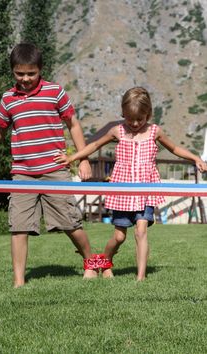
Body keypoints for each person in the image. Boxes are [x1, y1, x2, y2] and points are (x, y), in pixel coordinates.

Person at [0, 42, 100, 287]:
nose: (26, 78)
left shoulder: (55, 92)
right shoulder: (8, 99)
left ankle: (90, 262)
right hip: (23, 174)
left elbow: (73, 124)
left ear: (40, 70)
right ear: (12, 72)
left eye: (31, 73)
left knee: (70, 223)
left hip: (55, 170)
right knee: (18, 227)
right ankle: (19, 282)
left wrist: (83, 158)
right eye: (20, 73)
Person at [54, 86, 207, 281]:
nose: (134, 123)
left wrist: (195, 158)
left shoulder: (155, 132)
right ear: (123, 113)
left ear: (148, 114)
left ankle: (140, 277)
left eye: (139, 119)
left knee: (141, 230)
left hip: (145, 190)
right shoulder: (117, 131)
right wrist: (73, 157)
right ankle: (105, 260)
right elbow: (93, 145)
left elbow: (175, 148)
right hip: (123, 191)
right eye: (129, 118)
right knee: (119, 236)